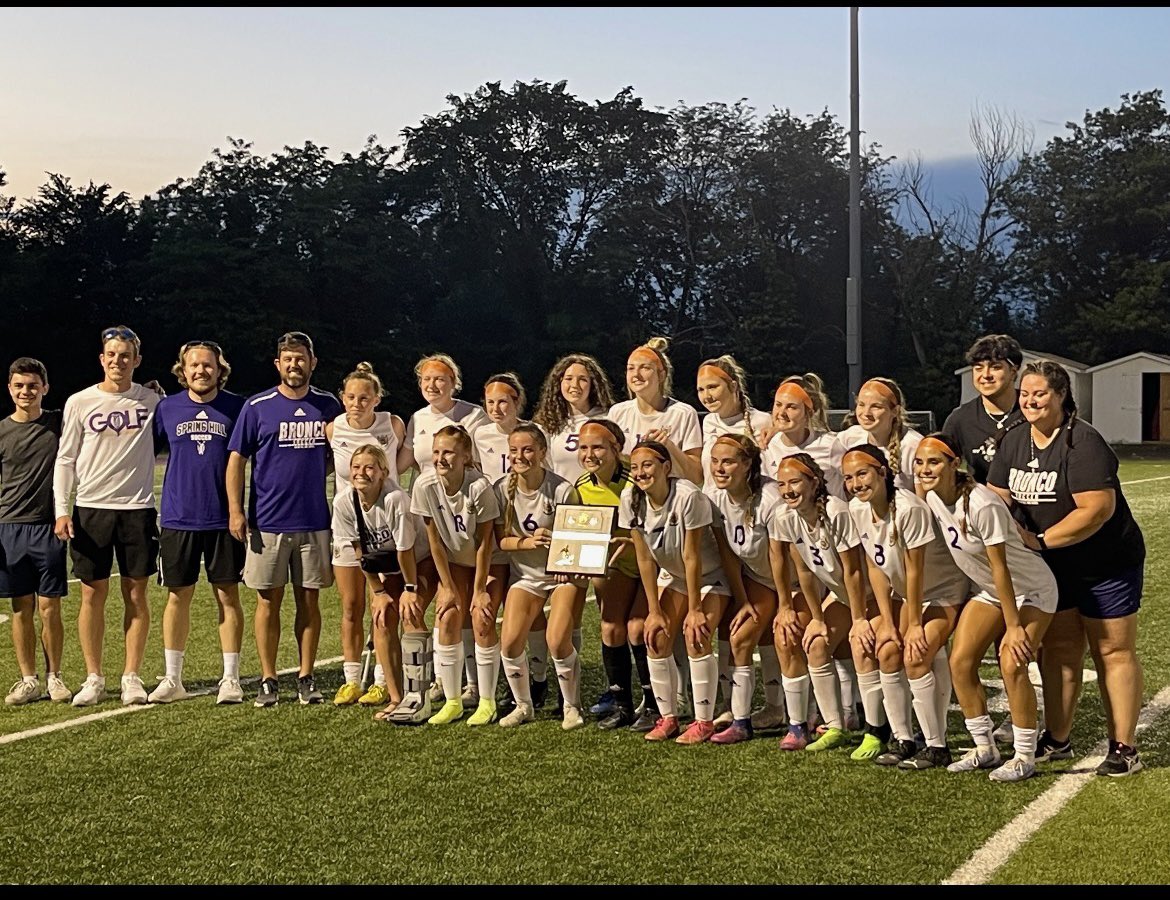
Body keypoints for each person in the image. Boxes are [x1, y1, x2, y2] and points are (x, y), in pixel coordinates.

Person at [987, 360, 1146, 777]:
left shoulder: (1083, 441)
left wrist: (1039, 541)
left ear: (1060, 396)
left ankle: (1124, 746)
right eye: (1024, 393)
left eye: (1039, 393)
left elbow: (1096, 511)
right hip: (1050, 566)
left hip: (1104, 562)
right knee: (1057, 651)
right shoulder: (1015, 438)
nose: (1029, 400)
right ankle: (1058, 738)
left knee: (1111, 649)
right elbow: (997, 496)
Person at [916, 433, 1057, 783]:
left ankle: (1025, 756)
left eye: (933, 462)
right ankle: (984, 748)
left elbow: (1001, 567)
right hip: (994, 591)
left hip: (1031, 590)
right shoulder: (933, 496)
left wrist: (1013, 627)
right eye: (919, 462)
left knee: (1012, 661)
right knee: (960, 662)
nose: (924, 469)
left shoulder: (982, 503)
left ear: (955, 464)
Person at [226, 331, 342, 708]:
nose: (295, 364)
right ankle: (269, 678)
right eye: (287, 359)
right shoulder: (257, 406)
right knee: (267, 602)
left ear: (313, 362)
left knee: (310, 602)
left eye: (301, 358)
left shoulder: (328, 405)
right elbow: (236, 460)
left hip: (314, 521)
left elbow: (341, 452)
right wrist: (235, 510)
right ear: (278, 364)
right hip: (268, 521)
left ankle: (307, 676)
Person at [53, 325, 161, 707]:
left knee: (136, 592)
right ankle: (94, 677)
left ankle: (131, 676)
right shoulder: (79, 402)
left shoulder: (151, 400)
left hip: (137, 509)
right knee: (91, 593)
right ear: (102, 359)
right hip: (91, 509)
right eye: (112, 354)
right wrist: (62, 509)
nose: (118, 361)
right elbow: (65, 458)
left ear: (137, 360)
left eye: (125, 355)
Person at [842, 443, 969, 769]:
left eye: (862, 474)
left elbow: (915, 571)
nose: (856, 483)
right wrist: (886, 619)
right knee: (886, 651)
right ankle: (903, 739)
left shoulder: (908, 509)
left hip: (942, 591)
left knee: (917, 653)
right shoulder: (858, 509)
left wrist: (912, 624)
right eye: (848, 477)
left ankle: (937, 745)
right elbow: (875, 566)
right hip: (904, 596)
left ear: (882, 472)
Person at [620, 440, 740, 744]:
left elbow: (692, 556)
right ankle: (668, 717)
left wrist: (695, 608)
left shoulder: (688, 496)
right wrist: (654, 611)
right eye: (634, 467)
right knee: (656, 637)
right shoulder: (631, 499)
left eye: (647, 465)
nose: (640, 472)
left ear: (666, 467)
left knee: (696, 635)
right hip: (674, 576)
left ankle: (704, 721)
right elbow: (645, 558)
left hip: (710, 577)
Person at [148, 340, 247, 705]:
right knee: (178, 596)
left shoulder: (238, 407)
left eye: (208, 365)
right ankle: (173, 678)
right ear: (182, 369)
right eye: (194, 365)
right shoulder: (166, 408)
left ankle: (231, 678)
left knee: (228, 596)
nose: (201, 371)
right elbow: (142, 450)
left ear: (220, 368)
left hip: (224, 519)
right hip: (178, 517)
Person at [770, 453, 880, 754]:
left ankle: (876, 730)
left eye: (794, 482)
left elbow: (854, 571)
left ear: (814, 482)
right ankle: (835, 726)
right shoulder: (786, 516)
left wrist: (859, 620)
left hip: (877, 597)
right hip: (842, 596)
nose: (788, 490)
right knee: (816, 643)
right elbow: (805, 570)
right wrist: (817, 617)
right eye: (781, 484)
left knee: (865, 647)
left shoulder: (836, 512)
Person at [493, 423, 585, 729]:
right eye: (515, 450)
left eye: (528, 449)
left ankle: (571, 705)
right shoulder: (501, 489)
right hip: (527, 575)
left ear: (542, 452)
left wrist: (559, 548)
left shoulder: (561, 489)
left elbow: (579, 537)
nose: (520, 456)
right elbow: (501, 540)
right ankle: (524, 706)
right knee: (509, 643)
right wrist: (526, 543)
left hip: (561, 572)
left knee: (557, 640)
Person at [325, 361, 406, 708]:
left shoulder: (394, 424)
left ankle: (381, 680)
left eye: (365, 397)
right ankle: (352, 679)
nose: (357, 403)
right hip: (348, 525)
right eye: (351, 397)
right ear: (343, 399)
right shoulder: (333, 428)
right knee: (351, 605)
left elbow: (403, 463)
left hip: (384, 527)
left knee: (382, 606)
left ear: (377, 399)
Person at [331, 443, 431, 721]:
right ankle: (397, 697)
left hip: (421, 559)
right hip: (390, 566)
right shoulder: (344, 502)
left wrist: (410, 589)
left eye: (369, 467)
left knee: (410, 614)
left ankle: (418, 697)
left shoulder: (394, 499)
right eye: (356, 467)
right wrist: (378, 591)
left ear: (384, 472)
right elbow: (360, 550)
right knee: (382, 617)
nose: (361, 473)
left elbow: (405, 550)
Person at [409, 424, 501, 725]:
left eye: (448, 452)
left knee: (481, 617)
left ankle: (486, 701)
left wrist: (479, 590)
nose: (440, 458)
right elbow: (434, 540)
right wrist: (446, 587)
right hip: (456, 562)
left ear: (465, 456)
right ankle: (452, 701)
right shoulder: (424, 486)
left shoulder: (478, 486)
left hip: (488, 561)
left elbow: (486, 542)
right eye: (436, 452)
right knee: (446, 615)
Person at [702, 434, 782, 744]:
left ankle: (801, 713)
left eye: (728, 462)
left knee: (792, 640)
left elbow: (784, 557)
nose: (719, 469)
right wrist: (743, 598)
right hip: (759, 578)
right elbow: (727, 555)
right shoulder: (714, 497)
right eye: (715, 461)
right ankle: (741, 720)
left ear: (747, 464)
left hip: (794, 581)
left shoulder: (771, 497)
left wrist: (786, 604)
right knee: (741, 635)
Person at [573, 418, 652, 730]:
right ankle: (622, 705)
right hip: (617, 565)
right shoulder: (581, 486)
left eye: (598, 447)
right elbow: (577, 535)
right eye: (583, 447)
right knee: (610, 629)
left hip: (651, 563)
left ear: (617, 449)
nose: (590, 454)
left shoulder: (637, 481)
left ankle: (655, 703)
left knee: (638, 628)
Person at [2, 358, 71, 706]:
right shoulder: (1, 430)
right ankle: (28, 679)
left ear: (45, 387)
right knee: (20, 607)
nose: (25, 392)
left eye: (32, 385)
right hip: (9, 528)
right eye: (19, 386)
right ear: (10, 389)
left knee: (49, 607)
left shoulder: (58, 423)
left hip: (48, 527)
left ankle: (54, 676)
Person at [609, 337, 703, 485]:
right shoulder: (618, 412)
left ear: (661, 375)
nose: (636, 374)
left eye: (645, 368)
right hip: (629, 497)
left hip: (673, 499)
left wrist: (669, 446)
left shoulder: (683, 413)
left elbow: (697, 476)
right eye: (631, 368)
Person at [941, 334, 1026, 485]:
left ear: (1013, 371)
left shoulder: (1033, 412)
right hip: (984, 506)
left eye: (995, 367)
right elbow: (943, 469)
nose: (986, 375)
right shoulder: (959, 420)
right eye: (978, 368)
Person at [398, 353, 490, 480]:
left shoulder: (475, 416)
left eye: (439, 379)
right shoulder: (418, 418)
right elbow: (401, 464)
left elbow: (491, 458)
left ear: (453, 383)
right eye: (426, 379)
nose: (431, 385)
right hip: (427, 494)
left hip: (465, 493)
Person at [761, 373, 848, 500]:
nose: (781, 413)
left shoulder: (831, 445)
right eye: (778, 404)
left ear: (809, 413)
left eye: (791, 407)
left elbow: (854, 485)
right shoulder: (767, 445)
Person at [531, 353, 615, 482]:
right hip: (563, 499)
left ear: (593, 385)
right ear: (559, 383)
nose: (574, 385)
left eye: (582, 379)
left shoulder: (607, 419)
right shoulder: (547, 424)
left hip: (599, 497)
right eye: (569, 378)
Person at [838, 377, 924, 492]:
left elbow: (922, 503)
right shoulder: (849, 438)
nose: (866, 413)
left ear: (895, 411)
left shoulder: (914, 446)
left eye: (876, 406)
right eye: (861, 404)